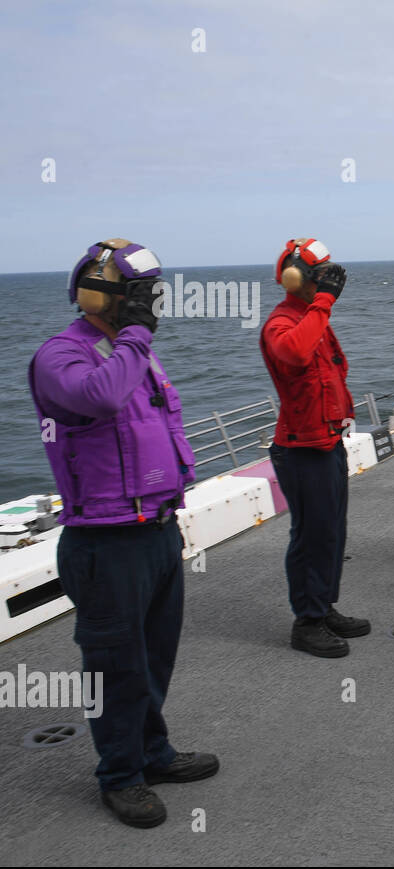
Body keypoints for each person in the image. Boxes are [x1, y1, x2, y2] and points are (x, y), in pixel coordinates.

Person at [29, 238, 217, 828]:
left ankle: (153, 754)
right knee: (115, 667)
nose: (147, 306)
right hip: (104, 542)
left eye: (149, 295)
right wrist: (136, 336)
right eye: (137, 295)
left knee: (154, 658)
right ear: (96, 293)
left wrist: (170, 512)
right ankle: (120, 775)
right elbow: (100, 397)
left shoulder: (131, 351)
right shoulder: (61, 355)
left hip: (153, 529)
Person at [259, 238, 370, 659]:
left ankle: (323, 607)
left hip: (325, 442)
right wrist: (324, 302)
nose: (326, 284)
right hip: (301, 448)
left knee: (331, 532)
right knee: (311, 536)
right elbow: (294, 351)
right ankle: (307, 622)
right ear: (295, 278)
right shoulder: (282, 323)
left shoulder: (310, 316)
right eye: (319, 277)